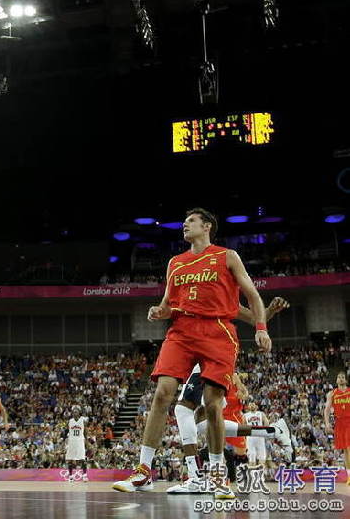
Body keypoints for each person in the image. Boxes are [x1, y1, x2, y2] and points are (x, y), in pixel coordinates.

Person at [112, 208, 270, 500]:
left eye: (191, 221)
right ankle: (143, 469)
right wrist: (159, 312)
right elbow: (167, 304)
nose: (185, 225)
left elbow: (253, 295)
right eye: (184, 221)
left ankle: (218, 475)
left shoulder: (227, 256)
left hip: (218, 331)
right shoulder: (176, 262)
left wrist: (261, 327)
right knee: (163, 393)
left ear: (207, 226)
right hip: (181, 332)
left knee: (212, 404)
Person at [167, 297, 292, 494]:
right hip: (206, 357)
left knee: (182, 409)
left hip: (211, 355)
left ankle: (196, 477)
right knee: (202, 425)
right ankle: (272, 431)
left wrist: (268, 313)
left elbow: (256, 317)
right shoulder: (190, 292)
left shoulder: (219, 295)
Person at [323, 372, 350, 486]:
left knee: (349, 447)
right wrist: (327, 423)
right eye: (339, 377)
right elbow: (327, 410)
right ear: (336, 380)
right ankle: (349, 476)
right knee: (345, 451)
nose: (341, 379)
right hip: (339, 422)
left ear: (346, 380)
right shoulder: (332, 393)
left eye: (343, 377)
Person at [65, 406, 89, 482]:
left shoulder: (83, 420)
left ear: (79, 412)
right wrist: (65, 441)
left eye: (76, 411)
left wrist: (87, 440)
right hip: (72, 442)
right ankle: (71, 476)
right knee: (70, 459)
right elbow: (66, 432)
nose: (75, 413)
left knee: (83, 459)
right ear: (72, 413)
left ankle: (84, 476)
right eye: (74, 412)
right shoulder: (69, 421)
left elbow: (85, 432)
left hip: (80, 441)